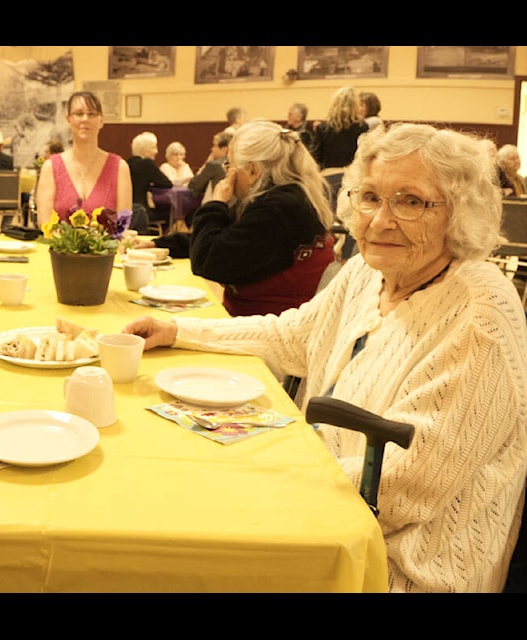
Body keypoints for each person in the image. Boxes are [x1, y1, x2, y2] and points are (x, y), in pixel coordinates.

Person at [123, 122, 527, 593]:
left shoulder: (480, 318)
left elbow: (405, 487)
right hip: (322, 509)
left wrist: (264, 480)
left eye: (411, 201)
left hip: (393, 565)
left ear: (460, 212)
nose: (379, 220)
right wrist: (179, 329)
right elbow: (294, 334)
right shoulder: (367, 270)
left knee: (167, 556)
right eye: (371, 197)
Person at [187, 120, 335, 316]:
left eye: (230, 166)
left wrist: (217, 203)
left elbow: (206, 260)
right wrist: (159, 244)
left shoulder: (277, 209)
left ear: (252, 170)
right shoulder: (285, 197)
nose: (228, 175)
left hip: (272, 328)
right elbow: (226, 235)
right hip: (267, 318)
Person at [35, 90, 132, 228]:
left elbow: (123, 226)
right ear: (68, 120)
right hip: (60, 248)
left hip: (107, 249)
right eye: (79, 114)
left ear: (101, 120)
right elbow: (45, 223)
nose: (85, 119)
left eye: (91, 114)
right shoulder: (50, 167)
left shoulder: (120, 168)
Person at [310, 86, 369, 209]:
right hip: (352, 177)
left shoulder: (323, 128)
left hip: (328, 177)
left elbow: (316, 157)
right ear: (355, 105)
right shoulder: (362, 127)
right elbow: (364, 155)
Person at [126, 131, 171, 232]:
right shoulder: (147, 164)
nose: (156, 151)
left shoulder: (126, 163)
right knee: (170, 211)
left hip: (127, 210)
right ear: (144, 150)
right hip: (142, 211)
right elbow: (166, 183)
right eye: (153, 147)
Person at [188, 130, 232, 201]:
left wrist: (206, 164)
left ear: (224, 149)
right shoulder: (239, 164)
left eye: (214, 146)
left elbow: (194, 186)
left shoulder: (214, 165)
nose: (212, 149)